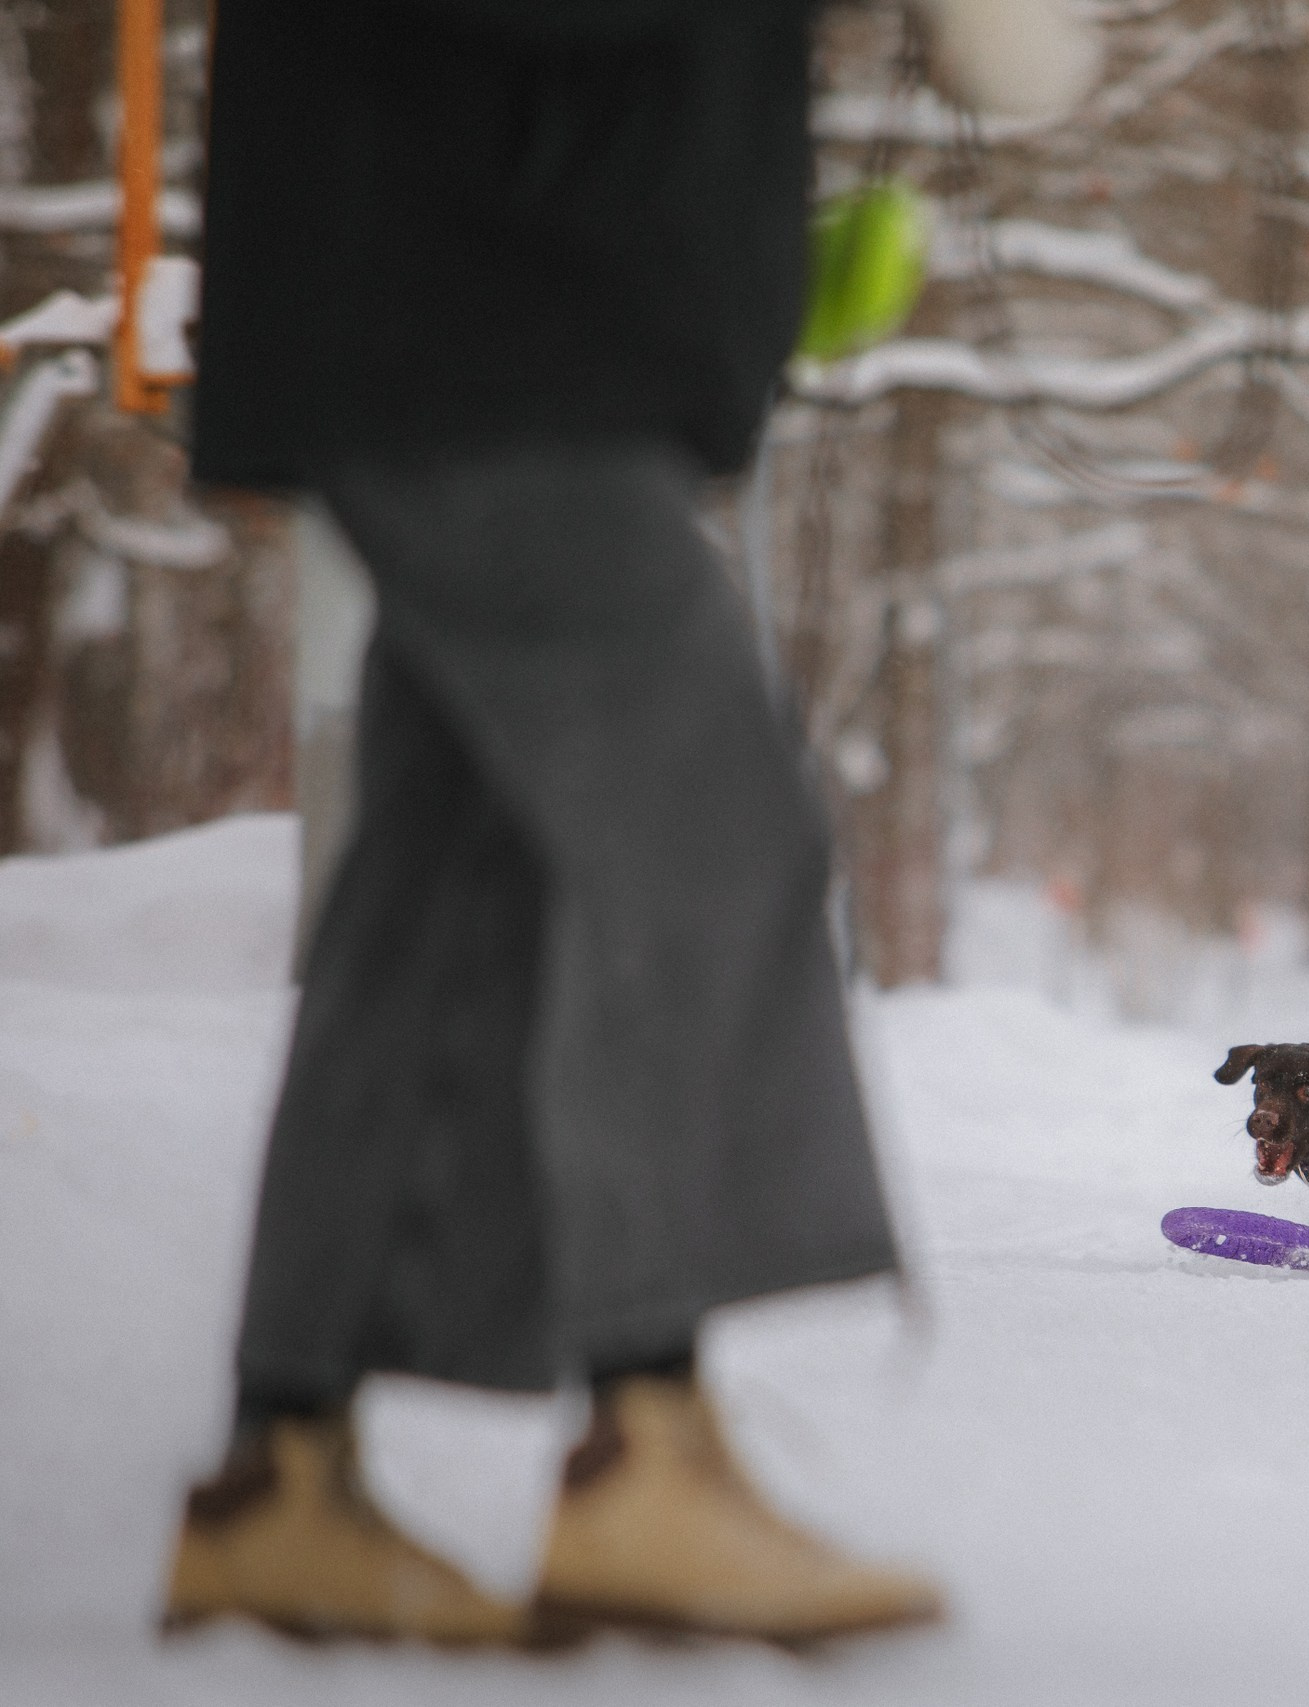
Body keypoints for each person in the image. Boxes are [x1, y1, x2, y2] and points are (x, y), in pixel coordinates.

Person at [160, 0, 1086, 1646]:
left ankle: (280, 1475)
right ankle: (642, 1452)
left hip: (503, 310)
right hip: (470, 313)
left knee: (457, 886)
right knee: (706, 832)